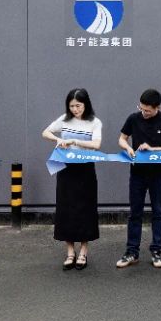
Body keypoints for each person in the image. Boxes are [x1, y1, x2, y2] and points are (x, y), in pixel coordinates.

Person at [116, 89, 161, 270]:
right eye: (141, 108)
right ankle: (131, 251)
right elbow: (122, 139)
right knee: (135, 213)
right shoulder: (133, 118)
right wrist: (128, 148)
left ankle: (157, 250)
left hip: (159, 174)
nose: (144, 112)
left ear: (157, 107)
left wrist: (153, 149)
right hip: (137, 173)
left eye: (148, 110)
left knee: (158, 212)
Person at [41, 88, 103, 270]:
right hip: (66, 169)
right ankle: (70, 252)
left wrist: (74, 141)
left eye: (78, 106)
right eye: (72, 106)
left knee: (85, 208)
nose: (75, 109)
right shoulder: (64, 119)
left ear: (86, 104)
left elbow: (97, 144)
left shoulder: (94, 122)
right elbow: (45, 132)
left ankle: (83, 251)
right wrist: (57, 140)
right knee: (66, 208)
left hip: (85, 169)